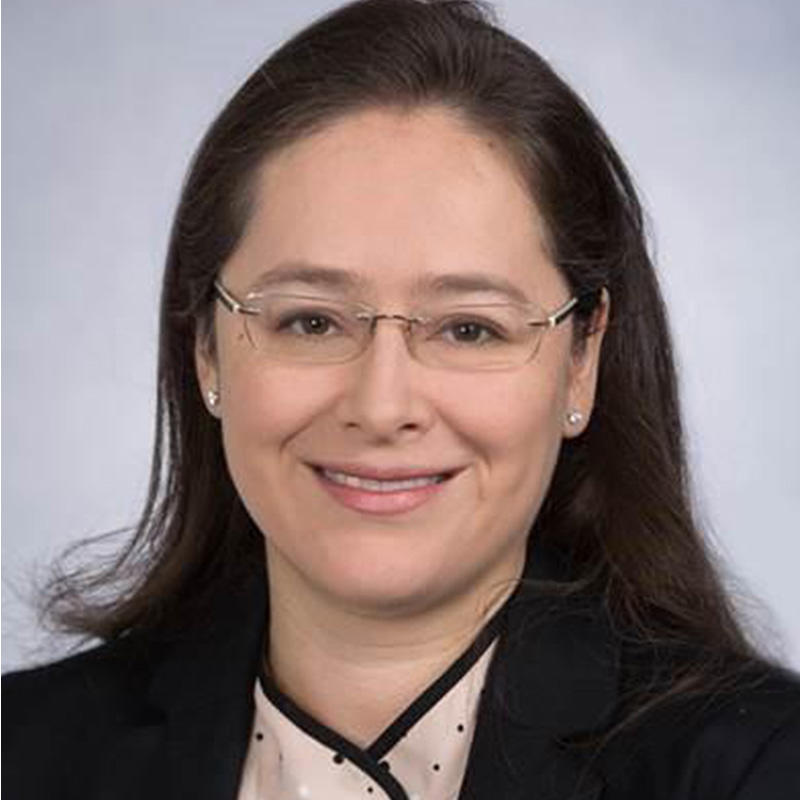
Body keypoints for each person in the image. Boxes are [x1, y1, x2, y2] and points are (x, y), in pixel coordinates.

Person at [4, 1, 799, 797]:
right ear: (206, 347)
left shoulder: (756, 770)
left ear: (582, 359)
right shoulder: (24, 754)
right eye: (311, 320)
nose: (382, 408)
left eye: (468, 329)